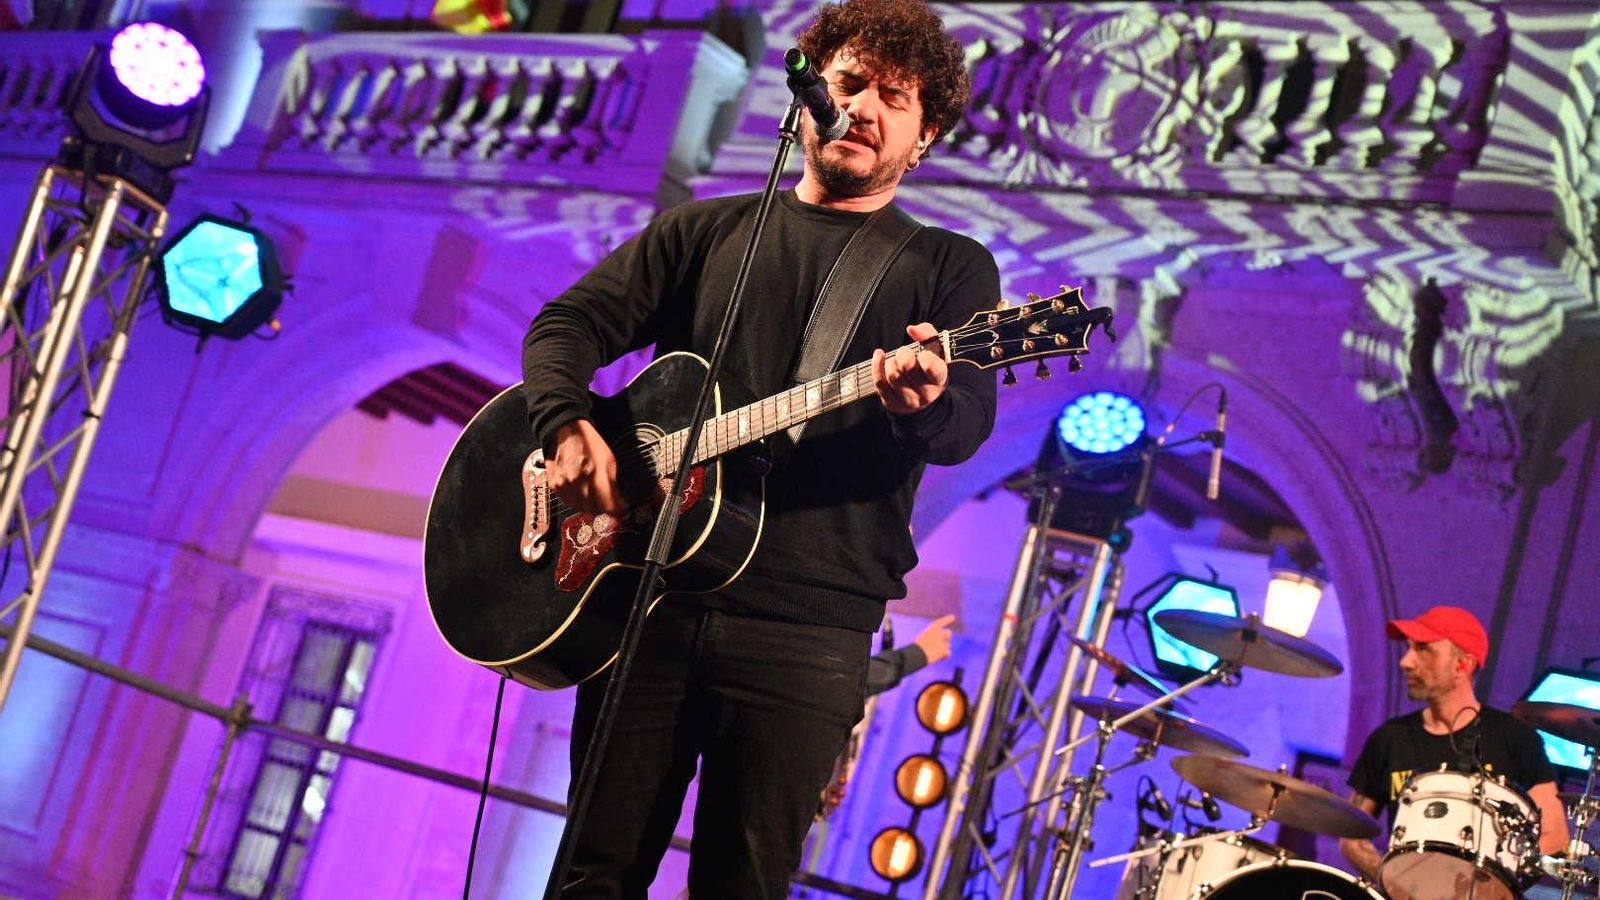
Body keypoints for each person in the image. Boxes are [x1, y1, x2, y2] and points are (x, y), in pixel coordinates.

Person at [519, 0, 999, 894]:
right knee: (593, 874)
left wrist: (922, 401)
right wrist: (565, 423)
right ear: (810, 98)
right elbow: (568, 324)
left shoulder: (946, 266)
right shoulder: (707, 231)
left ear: (924, 134)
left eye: (894, 97)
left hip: (808, 634)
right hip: (649, 600)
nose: (862, 108)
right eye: (848, 83)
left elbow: (966, 426)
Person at [1338, 605, 1570, 886]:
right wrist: (1399, 883)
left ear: (1463, 665)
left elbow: (1556, 837)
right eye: (1410, 648)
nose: (1406, 661)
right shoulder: (1390, 738)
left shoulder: (1515, 738)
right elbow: (1352, 839)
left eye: (1423, 649)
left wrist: (1493, 885)